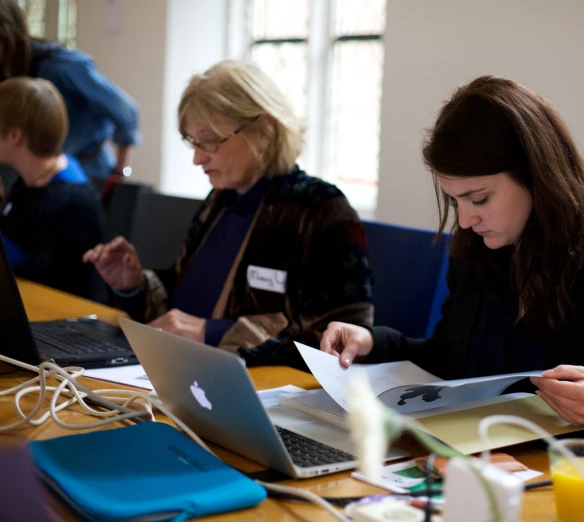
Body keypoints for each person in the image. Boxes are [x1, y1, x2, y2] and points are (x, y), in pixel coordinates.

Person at [320, 76, 584, 426]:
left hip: (582, 472)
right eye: (455, 203)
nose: (465, 221)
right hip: (486, 461)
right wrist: (371, 341)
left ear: (536, 175)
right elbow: (448, 359)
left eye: (479, 199)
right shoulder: (477, 253)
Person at [83, 59, 373, 368]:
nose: (197, 157)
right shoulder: (220, 201)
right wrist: (134, 285)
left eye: (210, 140)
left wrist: (213, 333)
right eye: (193, 142)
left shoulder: (320, 209)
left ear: (264, 129)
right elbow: (180, 308)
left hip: (257, 393)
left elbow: (341, 341)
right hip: (183, 372)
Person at [0, 0, 140, 180]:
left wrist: (120, 173)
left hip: (86, 172)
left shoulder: (60, 65)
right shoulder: (7, 69)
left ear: (6, 34)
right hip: (30, 178)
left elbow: (126, 112)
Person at [0, 77, 107, 302]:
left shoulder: (67, 202)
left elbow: (15, 266)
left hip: (58, 318)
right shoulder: (40, 175)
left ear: (14, 135)